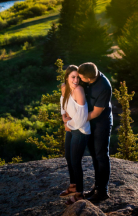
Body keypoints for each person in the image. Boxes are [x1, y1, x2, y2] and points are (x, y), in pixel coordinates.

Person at [78, 62, 113, 203]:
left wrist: (77, 120)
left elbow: (97, 112)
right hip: (89, 122)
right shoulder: (87, 75)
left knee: (101, 155)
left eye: (81, 77)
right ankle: (97, 187)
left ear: (89, 79)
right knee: (93, 154)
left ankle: (102, 191)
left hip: (100, 123)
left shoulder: (104, 87)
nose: (79, 79)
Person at [59, 65, 90, 205]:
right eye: (73, 77)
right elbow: (62, 103)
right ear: (67, 77)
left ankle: (79, 194)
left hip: (81, 129)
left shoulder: (79, 90)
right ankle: (73, 186)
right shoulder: (64, 88)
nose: (76, 80)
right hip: (71, 127)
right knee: (68, 157)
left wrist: (68, 123)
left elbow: (82, 117)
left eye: (78, 77)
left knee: (75, 160)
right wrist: (64, 118)